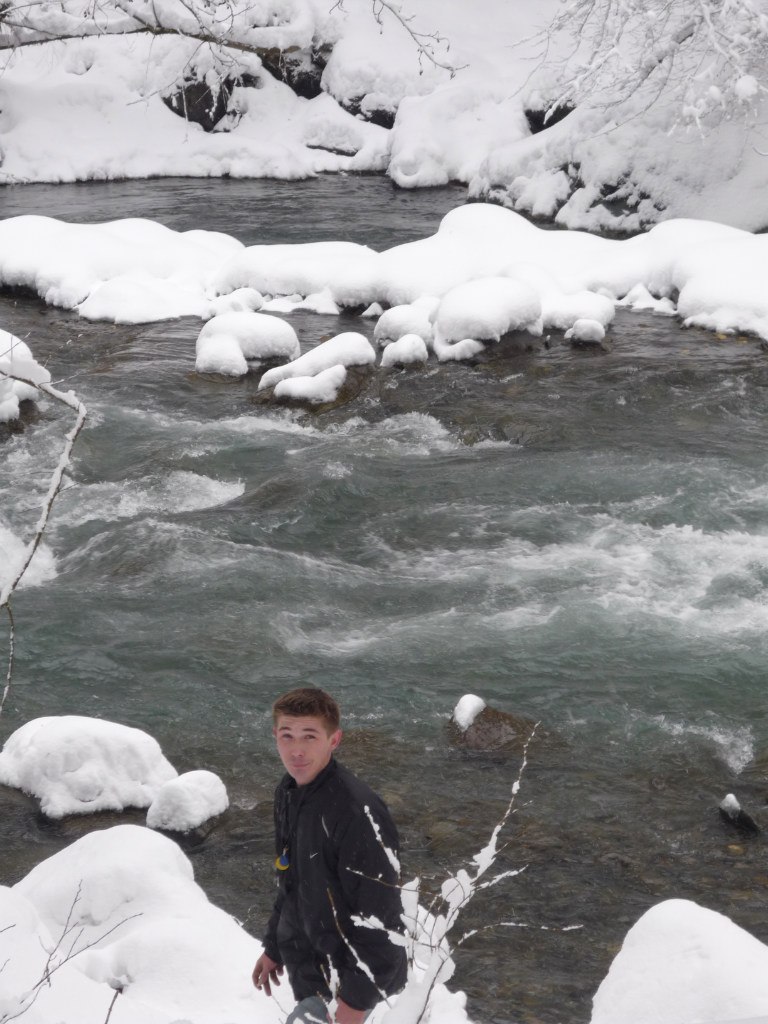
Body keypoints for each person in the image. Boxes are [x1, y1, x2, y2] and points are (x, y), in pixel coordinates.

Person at [252, 687, 407, 1024]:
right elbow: (291, 880)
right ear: (275, 736)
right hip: (312, 971)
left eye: (309, 736)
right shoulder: (290, 791)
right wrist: (274, 946)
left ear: (334, 740)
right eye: (287, 735)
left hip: (351, 980)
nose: (296, 750)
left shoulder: (356, 812)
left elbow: (381, 916)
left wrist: (353, 1003)